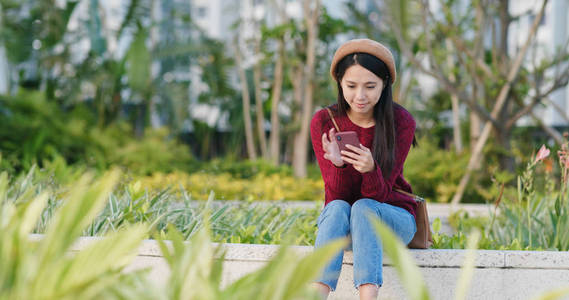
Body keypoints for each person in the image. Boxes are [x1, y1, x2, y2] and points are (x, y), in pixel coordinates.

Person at [310, 38, 418, 300]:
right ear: (340, 83)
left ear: (384, 85)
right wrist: (338, 165)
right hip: (342, 226)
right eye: (351, 86)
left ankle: (368, 297)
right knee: (336, 208)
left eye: (370, 86)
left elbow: (378, 196)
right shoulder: (324, 121)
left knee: (364, 207)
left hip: (392, 218)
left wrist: (371, 170)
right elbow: (336, 198)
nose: (360, 96)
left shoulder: (400, 121)